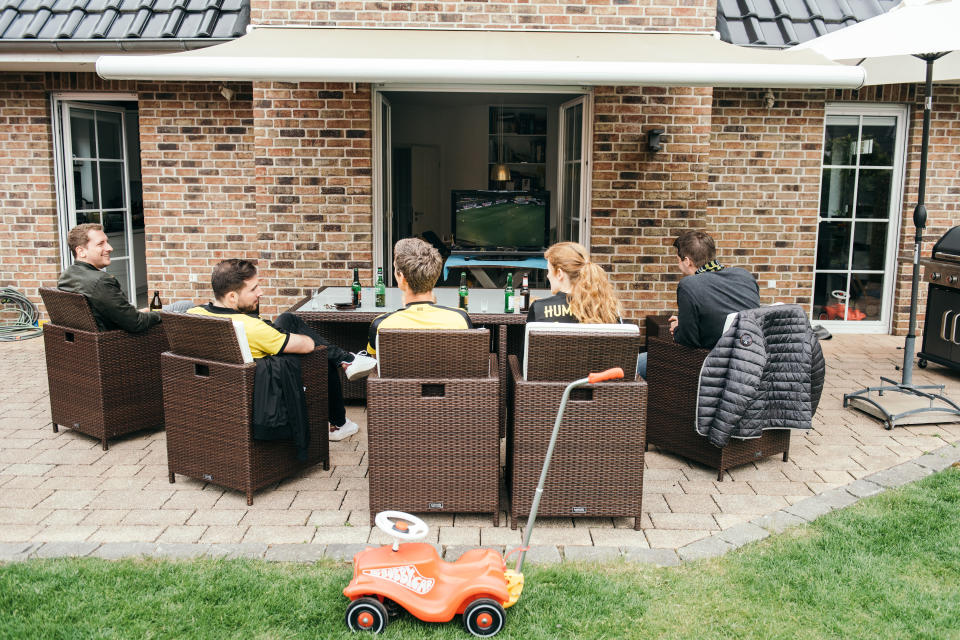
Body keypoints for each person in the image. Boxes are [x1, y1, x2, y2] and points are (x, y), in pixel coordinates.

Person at [188, 259, 376, 441]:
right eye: (253, 289)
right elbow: (307, 345)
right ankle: (340, 415)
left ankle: (346, 360)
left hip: (220, 392)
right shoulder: (253, 329)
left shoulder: (194, 315)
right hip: (268, 390)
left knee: (287, 319)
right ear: (232, 296)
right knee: (320, 354)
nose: (260, 292)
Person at [637, 230, 760, 378]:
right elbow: (723, 317)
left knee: (636, 363)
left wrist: (678, 329)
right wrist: (686, 322)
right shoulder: (744, 276)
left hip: (710, 366)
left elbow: (688, 342)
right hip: (751, 362)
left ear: (687, 261)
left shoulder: (689, 285)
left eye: (678, 260)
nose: (678, 264)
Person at [365, 238, 472, 355]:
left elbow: (376, 363)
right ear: (435, 275)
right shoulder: (460, 319)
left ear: (402, 277)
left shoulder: (381, 325)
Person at [57, 223, 161, 333]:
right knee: (180, 307)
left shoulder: (66, 276)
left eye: (107, 242)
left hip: (88, 342)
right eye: (100, 244)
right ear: (81, 251)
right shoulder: (101, 281)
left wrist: (137, 313)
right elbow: (136, 323)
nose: (110, 248)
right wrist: (160, 315)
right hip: (118, 343)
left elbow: (107, 315)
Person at [526, 241, 622, 324]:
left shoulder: (539, 308)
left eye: (549, 271)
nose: (547, 276)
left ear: (559, 273)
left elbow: (527, 345)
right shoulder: (607, 310)